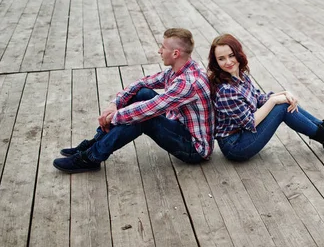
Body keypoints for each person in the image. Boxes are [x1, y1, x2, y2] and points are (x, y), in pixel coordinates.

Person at [53, 28, 214, 173]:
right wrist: (114, 104)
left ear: (175, 53)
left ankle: (91, 158)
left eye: (163, 47)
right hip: (178, 124)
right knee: (142, 93)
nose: (159, 51)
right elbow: (141, 83)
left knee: (143, 119)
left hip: (194, 148)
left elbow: (149, 109)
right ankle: (95, 142)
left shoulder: (187, 83)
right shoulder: (181, 69)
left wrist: (113, 116)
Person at [208, 34, 324, 162]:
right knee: (281, 107)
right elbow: (250, 122)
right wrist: (274, 100)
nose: (228, 62)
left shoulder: (239, 75)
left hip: (243, 135)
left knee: (283, 101)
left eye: (231, 55)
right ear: (216, 62)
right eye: (221, 59)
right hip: (236, 146)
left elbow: (258, 98)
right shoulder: (226, 90)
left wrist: (282, 94)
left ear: (238, 53)